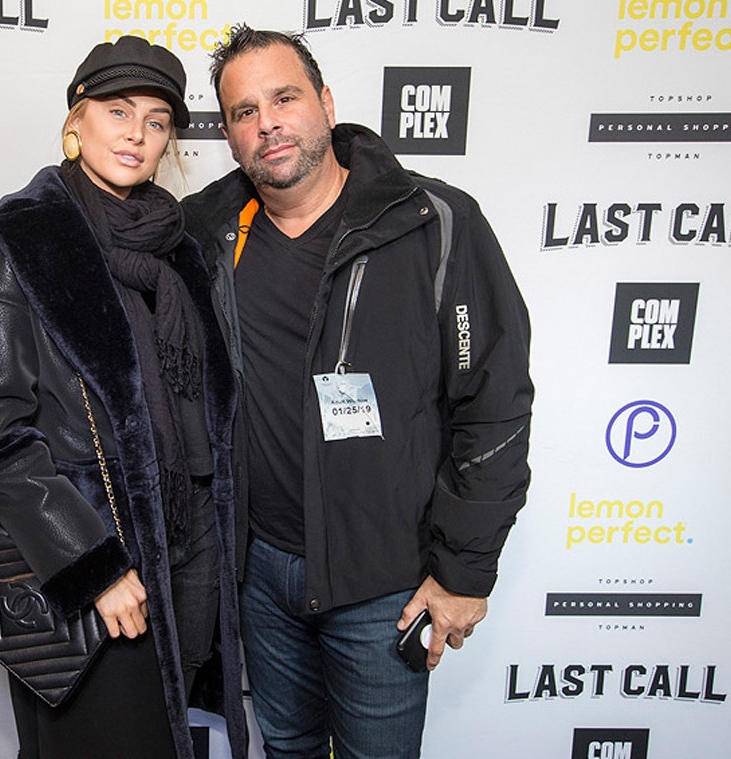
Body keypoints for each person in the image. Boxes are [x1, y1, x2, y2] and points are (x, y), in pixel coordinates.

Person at [181, 24, 533, 759]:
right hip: (260, 573)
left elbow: (494, 402)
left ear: (327, 102)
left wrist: (463, 571)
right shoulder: (206, 233)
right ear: (230, 135)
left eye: (284, 97)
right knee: (289, 747)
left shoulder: (432, 221)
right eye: (243, 112)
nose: (267, 122)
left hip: (384, 580)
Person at [0, 35, 247, 759]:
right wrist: (95, 566)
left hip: (180, 563)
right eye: (117, 111)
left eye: (156, 120)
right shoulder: (30, 244)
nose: (136, 135)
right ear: (75, 123)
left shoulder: (180, 247)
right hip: (94, 575)